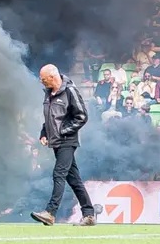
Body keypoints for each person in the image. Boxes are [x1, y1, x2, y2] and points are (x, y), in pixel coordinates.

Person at [30, 64, 96, 227]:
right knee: (74, 180)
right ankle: (89, 215)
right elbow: (49, 118)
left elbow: (81, 116)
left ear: (53, 77)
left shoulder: (70, 91)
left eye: (43, 79)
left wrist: (63, 131)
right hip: (56, 142)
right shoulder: (48, 93)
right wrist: (44, 133)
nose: (42, 82)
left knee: (58, 174)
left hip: (67, 140)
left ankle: (50, 213)